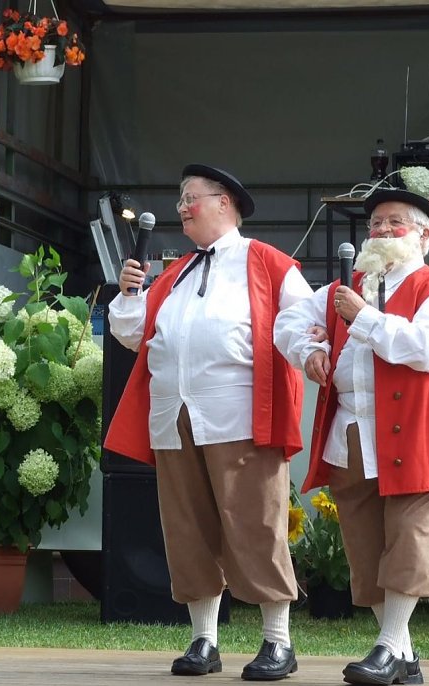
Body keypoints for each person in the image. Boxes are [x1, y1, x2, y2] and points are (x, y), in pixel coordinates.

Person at [104, 164, 314, 681]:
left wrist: (310, 353)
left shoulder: (269, 263)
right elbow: (133, 335)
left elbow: (302, 323)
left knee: (256, 526)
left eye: (190, 196)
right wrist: (131, 292)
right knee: (186, 529)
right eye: (179, 196)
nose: (181, 205)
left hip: (240, 416)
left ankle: (278, 642)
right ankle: (204, 640)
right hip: (174, 416)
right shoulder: (174, 273)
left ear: (225, 203)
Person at [274, 189, 429, 686]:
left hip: (422, 436)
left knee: (412, 542)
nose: (383, 231)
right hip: (353, 434)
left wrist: (361, 319)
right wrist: (308, 353)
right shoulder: (344, 289)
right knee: (366, 553)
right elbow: (286, 322)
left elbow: (428, 350)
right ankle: (405, 659)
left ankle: (388, 649)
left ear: (425, 236)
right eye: (376, 224)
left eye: (396, 223)